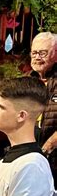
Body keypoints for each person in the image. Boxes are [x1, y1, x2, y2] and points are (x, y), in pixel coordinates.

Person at [30, 32, 57, 185]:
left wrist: (47, 147)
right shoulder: (27, 80)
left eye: (43, 53)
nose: (37, 57)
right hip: (32, 158)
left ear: (55, 54)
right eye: (34, 52)